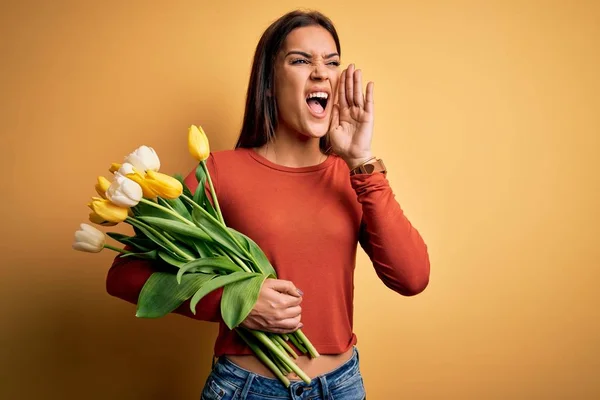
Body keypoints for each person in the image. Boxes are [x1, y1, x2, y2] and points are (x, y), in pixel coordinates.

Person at [106, 9, 430, 400]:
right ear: (270, 83)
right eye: (300, 60)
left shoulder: (353, 176)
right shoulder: (220, 172)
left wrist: (361, 160)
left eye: (330, 62)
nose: (320, 73)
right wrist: (235, 301)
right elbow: (123, 275)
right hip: (247, 389)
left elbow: (412, 278)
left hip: (342, 385)